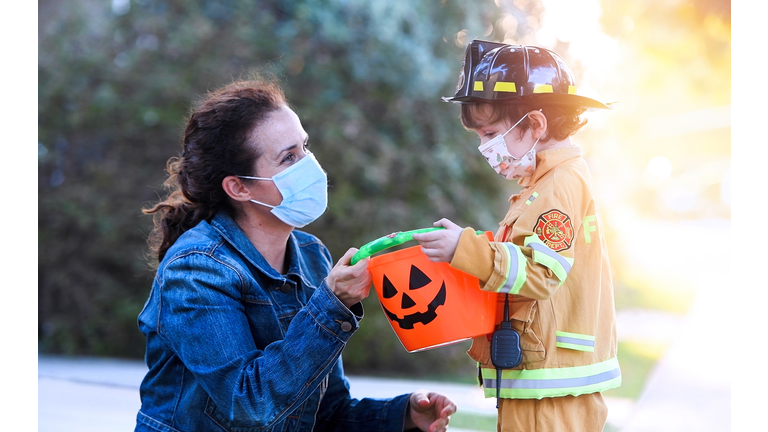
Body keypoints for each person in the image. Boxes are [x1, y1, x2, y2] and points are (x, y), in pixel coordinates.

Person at [135, 77, 456, 432]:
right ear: (238, 187)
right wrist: (331, 305)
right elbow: (250, 405)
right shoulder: (196, 270)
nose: (310, 166)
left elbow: (324, 412)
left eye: (304, 147)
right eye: (288, 158)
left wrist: (404, 415)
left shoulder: (310, 254)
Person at [412, 40, 621, 432]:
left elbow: (540, 274)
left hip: (551, 390)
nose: (483, 148)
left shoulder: (559, 184)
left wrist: (466, 250)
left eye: (489, 133)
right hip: (540, 380)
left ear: (536, 125)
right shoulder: (540, 184)